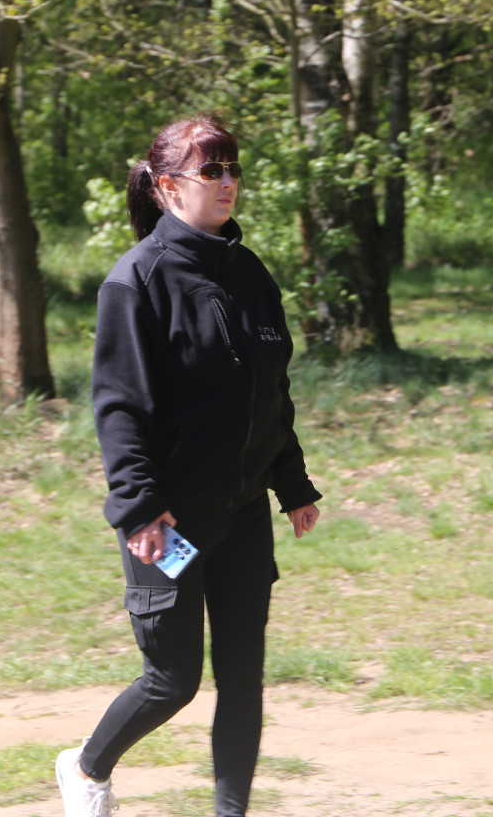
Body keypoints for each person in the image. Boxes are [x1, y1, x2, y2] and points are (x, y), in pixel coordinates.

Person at [56, 114, 322, 817]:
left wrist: (292, 484)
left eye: (232, 168)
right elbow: (119, 408)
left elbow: (270, 393)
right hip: (169, 524)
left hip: (242, 517)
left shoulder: (250, 273)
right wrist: (141, 509)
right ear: (168, 186)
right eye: (211, 170)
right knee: (172, 680)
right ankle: (85, 769)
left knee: (243, 680)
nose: (227, 181)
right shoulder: (136, 281)